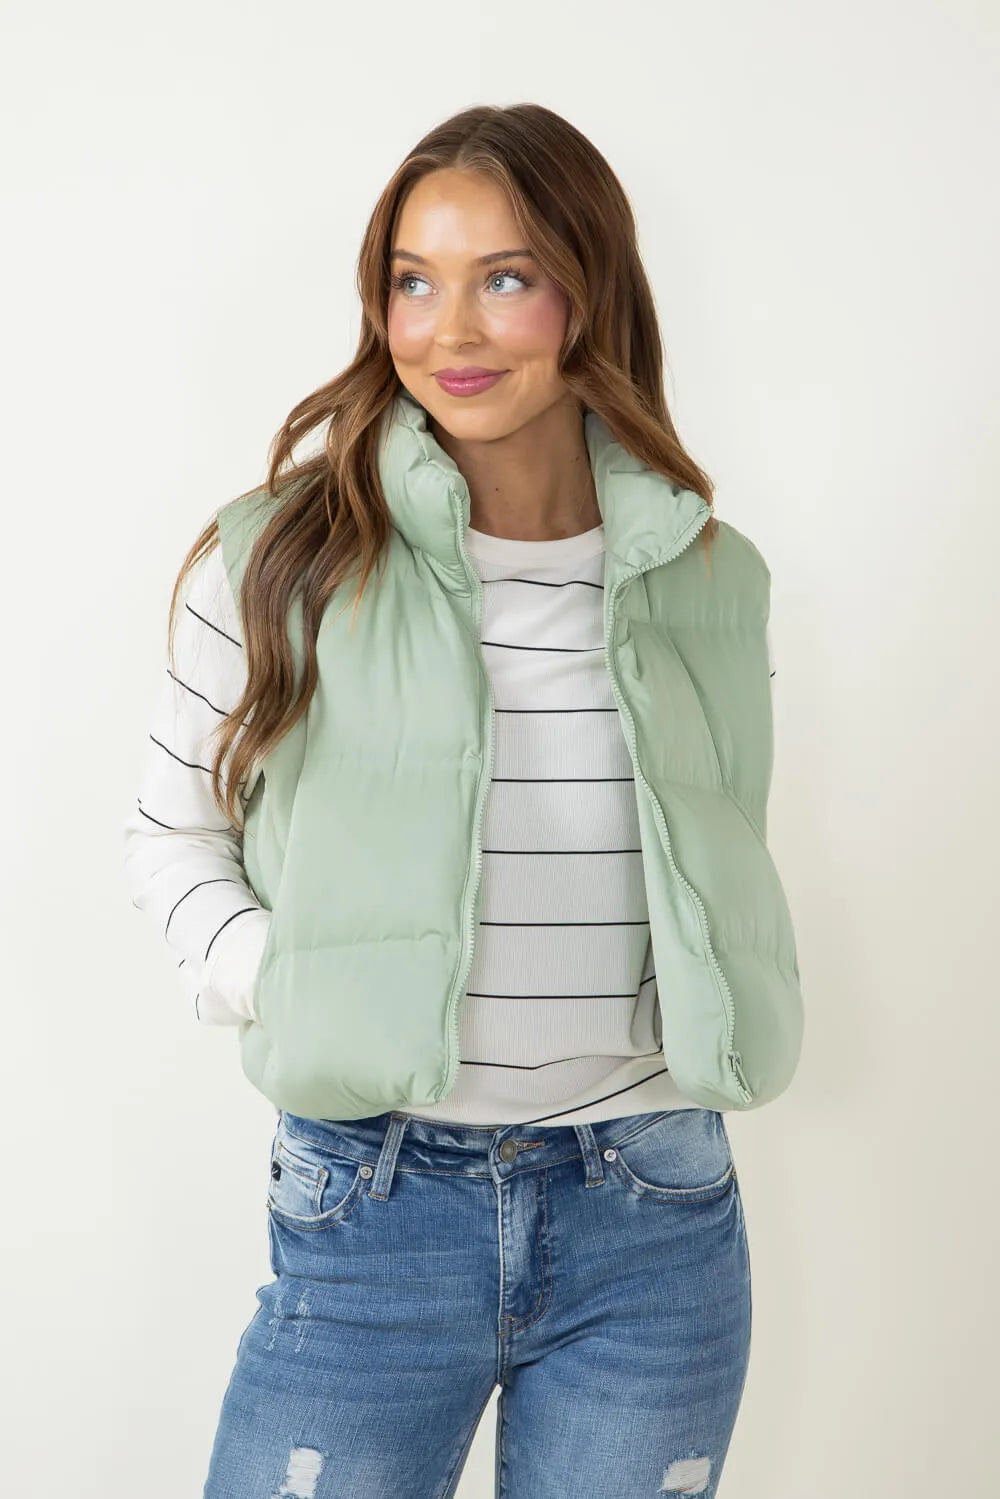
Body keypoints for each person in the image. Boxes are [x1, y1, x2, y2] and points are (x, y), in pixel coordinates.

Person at [123, 102, 803, 1499]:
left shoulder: (709, 575)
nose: (451, 330)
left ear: (589, 291)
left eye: (505, 277)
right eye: (413, 282)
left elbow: (714, 855)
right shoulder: (281, 560)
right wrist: (285, 979)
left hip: (654, 1210)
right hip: (372, 1208)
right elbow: (172, 832)